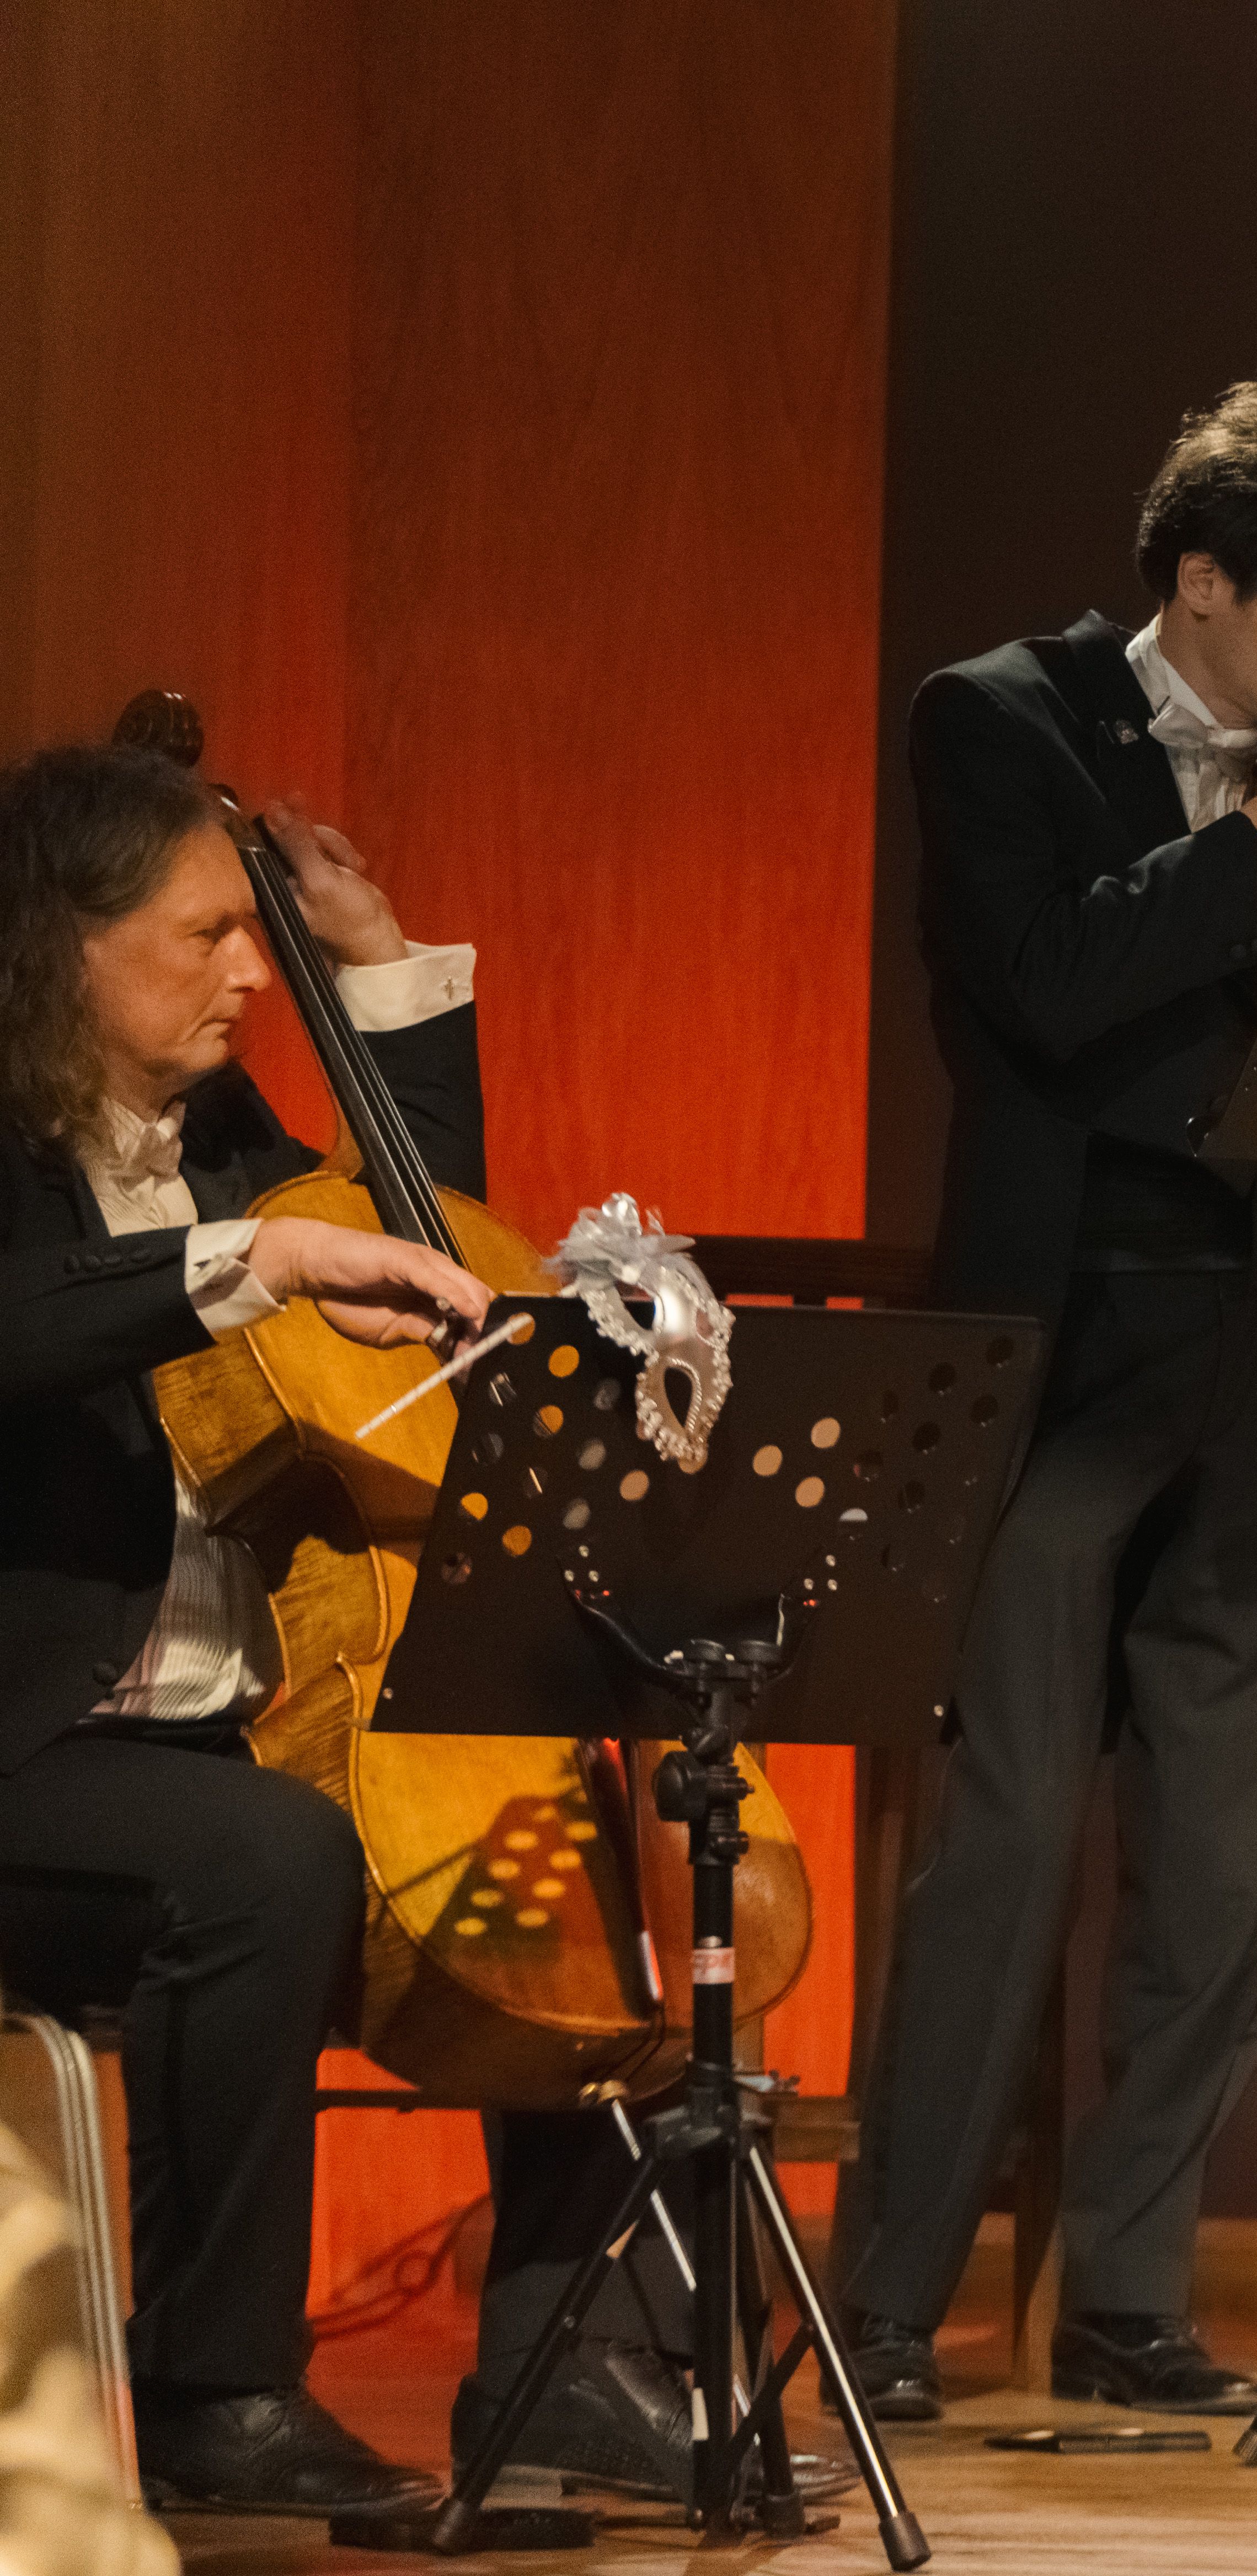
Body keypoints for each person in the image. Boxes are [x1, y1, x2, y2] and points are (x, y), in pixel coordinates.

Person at [0, 741, 846, 2513]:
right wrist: (249, 1268)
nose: (250, 974)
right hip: (36, 1737)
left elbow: (406, 1231)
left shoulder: (216, 1135)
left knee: (573, 1832)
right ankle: (217, 2390)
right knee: (269, 1861)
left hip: (209, 1723)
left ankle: (559, 2350)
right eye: (206, 935)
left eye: (257, 936)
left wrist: (373, 967)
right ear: (59, 945)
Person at [836, 385, 1257, 2420]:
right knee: (1003, 1841)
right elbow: (1037, 980)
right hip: (1062, 1349)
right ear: (1203, 580)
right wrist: (1252, 856)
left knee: (1222, 1861)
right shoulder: (996, 721)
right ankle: (888, 2308)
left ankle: (1126, 2301)